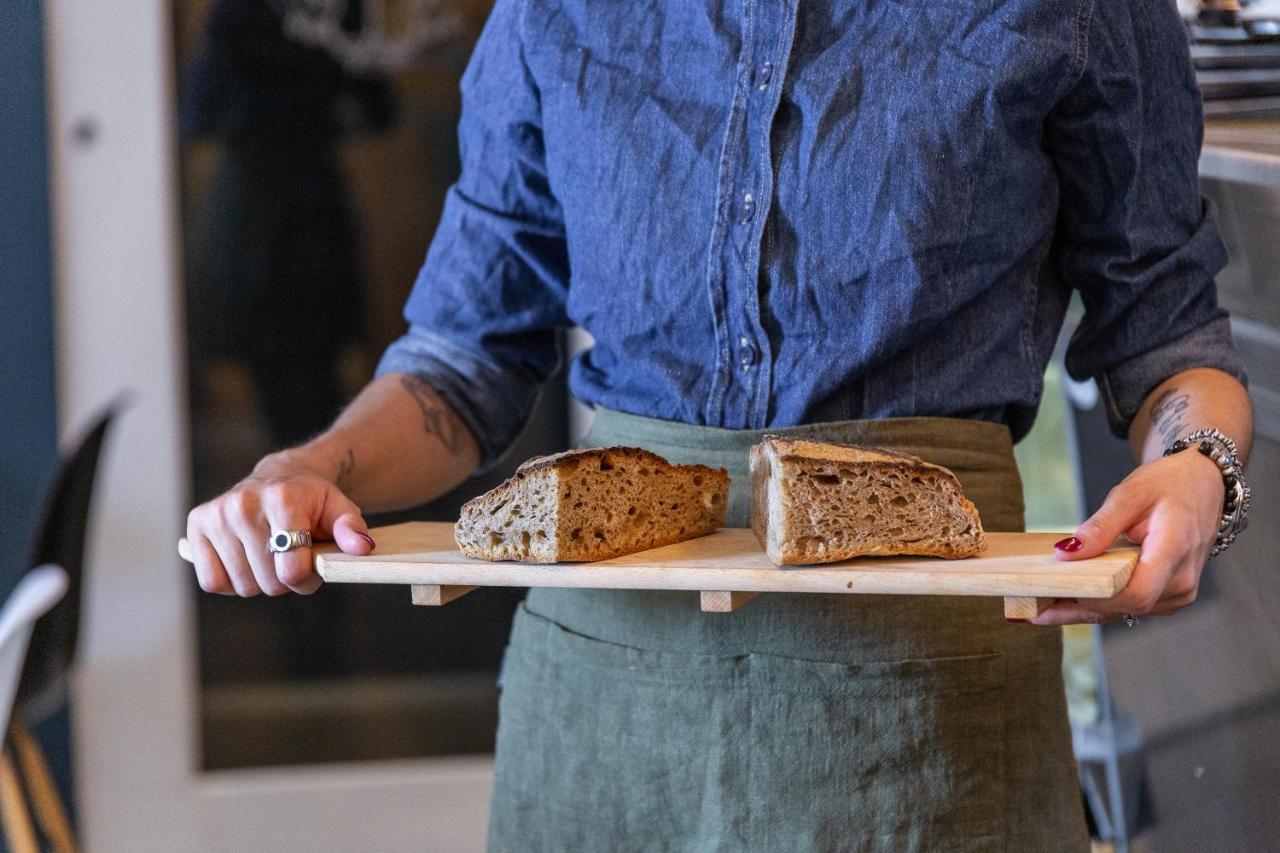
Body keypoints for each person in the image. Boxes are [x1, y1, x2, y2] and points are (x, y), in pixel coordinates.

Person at [185, 0, 1254, 849]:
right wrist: (314, 465)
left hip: (921, 712)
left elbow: (1165, 335)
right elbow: (464, 361)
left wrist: (1194, 465)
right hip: (608, 718)